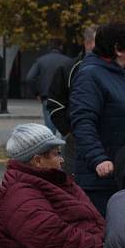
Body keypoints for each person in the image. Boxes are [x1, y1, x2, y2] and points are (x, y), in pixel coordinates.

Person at [0, 124, 104, 248]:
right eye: (56, 154)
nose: (62, 160)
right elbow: (53, 239)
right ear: (38, 160)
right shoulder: (20, 193)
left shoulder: (53, 180)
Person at [70, 22, 125, 215]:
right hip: (102, 180)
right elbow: (83, 121)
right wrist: (98, 158)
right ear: (117, 48)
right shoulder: (90, 76)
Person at [46, 26, 97, 174]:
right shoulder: (69, 69)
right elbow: (55, 102)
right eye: (98, 42)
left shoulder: (112, 69)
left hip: (103, 138)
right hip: (75, 139)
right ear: (87, 44)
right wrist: (68, 131)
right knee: (73, 180)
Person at [25, 39, 72, 134]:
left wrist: (37, 93)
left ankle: (52, 148)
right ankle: (64, 148)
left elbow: (30, 78)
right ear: (61, 47)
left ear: (50, 47)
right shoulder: (68, 61)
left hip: (48, 97)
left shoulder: (41, 61)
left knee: (50, 130)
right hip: (65, 98)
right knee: (66, 131)